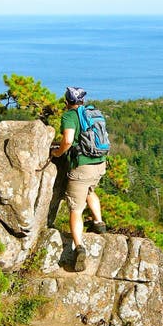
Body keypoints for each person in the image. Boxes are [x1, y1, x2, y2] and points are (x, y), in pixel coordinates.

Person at [50, 86, 107, 271]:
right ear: (82, 100)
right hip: (100, 164)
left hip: (82, 167)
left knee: (75, 208)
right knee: (90, 190)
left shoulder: (69, 116)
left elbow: (67, 141)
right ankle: (99, 223)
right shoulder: (92, 112)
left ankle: (79, 247)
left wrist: (57, 154)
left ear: (67, 101)